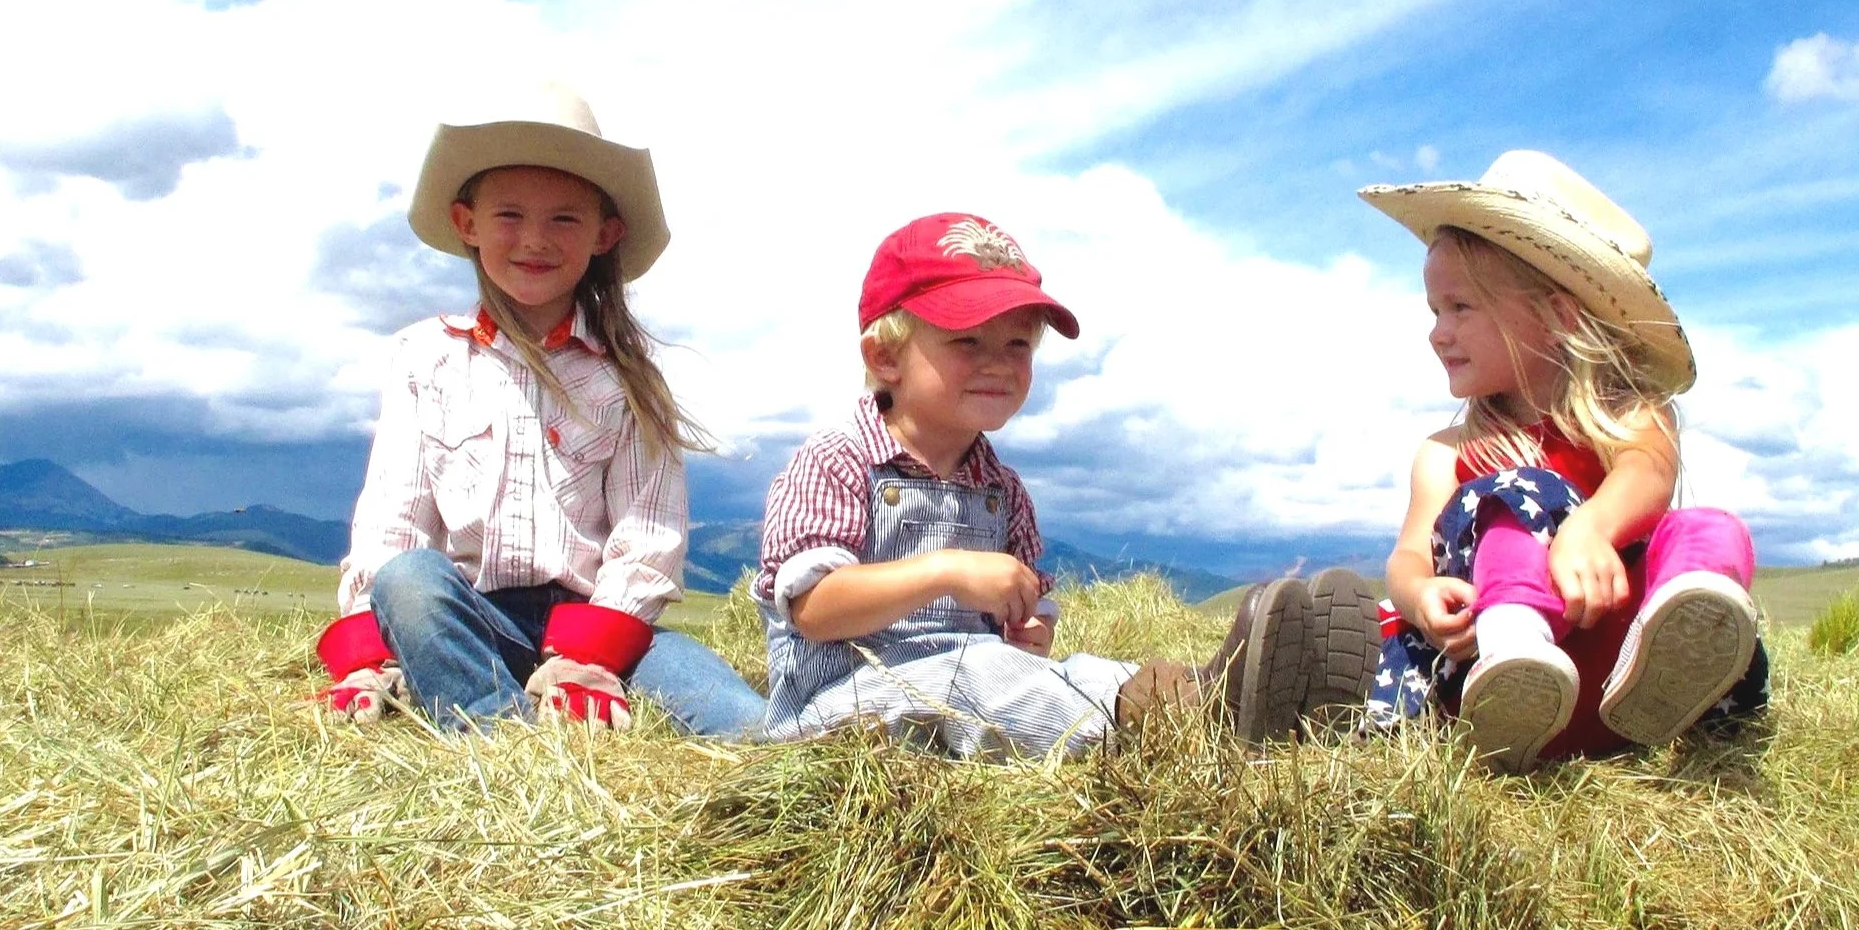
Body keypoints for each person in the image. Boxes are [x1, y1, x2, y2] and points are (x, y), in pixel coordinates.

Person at [751, 212, 1378, 758]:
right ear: (886, 356)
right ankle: (1177, 725)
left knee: (1071, 669)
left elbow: (1022, 630)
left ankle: (1227, 696)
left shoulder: (1004, 491)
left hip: (960, 704)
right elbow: (813, 610)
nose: (999, 362)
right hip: (838, 711)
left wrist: (1029, 634)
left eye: (1018, 344)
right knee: (970, 675)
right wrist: (947, 572)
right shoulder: (836, 461)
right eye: (968, 341)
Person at [314, 84, 765, 737]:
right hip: (471, 614)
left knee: (743, 722)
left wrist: (588, 657)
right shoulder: (423, 358)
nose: (533, 239)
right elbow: (394, 517)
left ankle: (511, 703)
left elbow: (649, 535)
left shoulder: (628, 377)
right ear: (467, 222)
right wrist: (369, 654)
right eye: (508, 216)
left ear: (604, 234)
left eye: (563, 219)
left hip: (597, 621)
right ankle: (506, 742)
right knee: (409, 577)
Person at [1361, 150, 1769, 773]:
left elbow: (1648, 473)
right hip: (1488, 672)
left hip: (1613, 661)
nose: (1437, 333)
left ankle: (1677, 668)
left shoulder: (1632, 416)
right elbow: (1409, 553)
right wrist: (1419, 595)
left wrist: (1591, 528)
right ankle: (1515, 647)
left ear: (1556, 316)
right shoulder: (1446, 454)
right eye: (1435, 312)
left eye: (1460, 308)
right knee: (1516, 496)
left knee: (1709, 528)